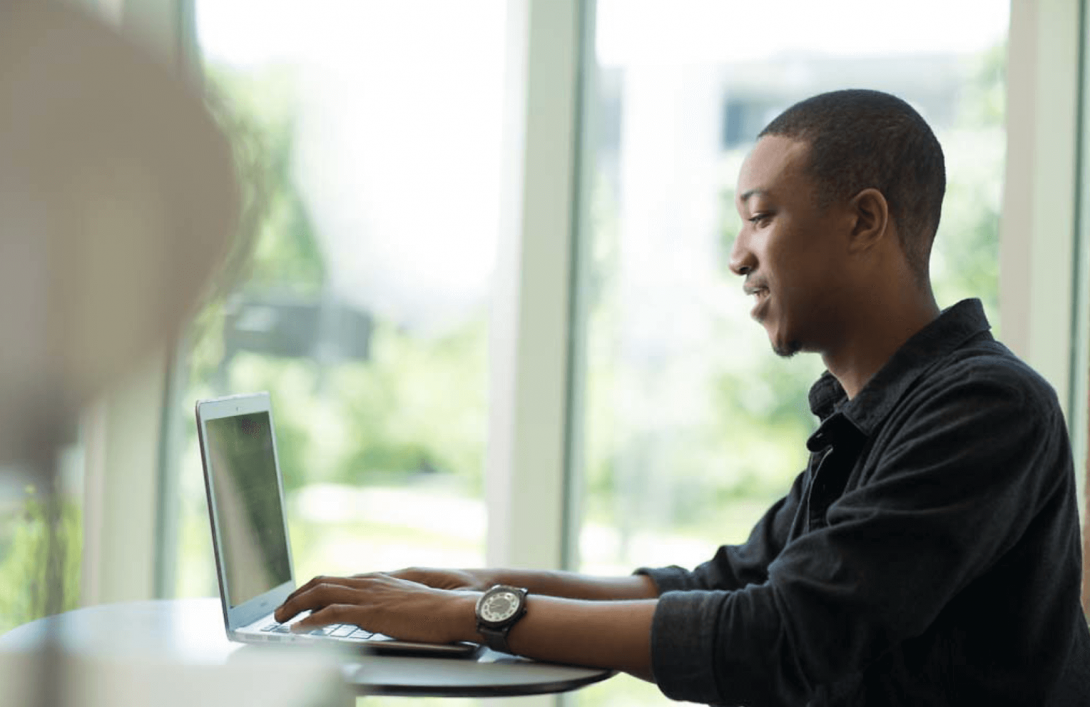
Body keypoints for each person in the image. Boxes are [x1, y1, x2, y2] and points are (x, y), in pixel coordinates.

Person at [275, 89, 1090, 705]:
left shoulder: (985, 407)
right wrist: (462, 582)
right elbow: (716, 585)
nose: (738, 257)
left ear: (864, 221)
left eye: (761, 218)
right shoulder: (871, 416)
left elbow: (780, 638)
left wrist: (475, 615)